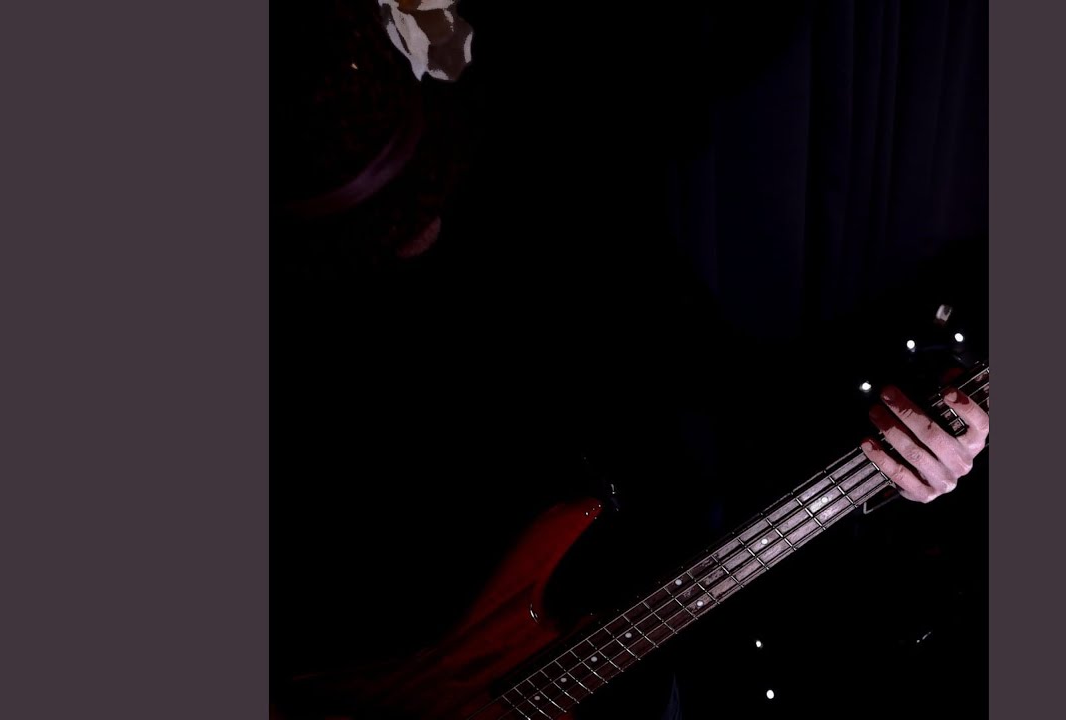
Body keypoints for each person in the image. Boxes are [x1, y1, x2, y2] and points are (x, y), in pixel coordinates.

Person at [272, 1, 989, 718]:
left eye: (413, 193)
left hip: (635, 647)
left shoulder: (550, 202)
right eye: (380, 223)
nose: (418, 226)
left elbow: (745, 400)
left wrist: (912, 458)